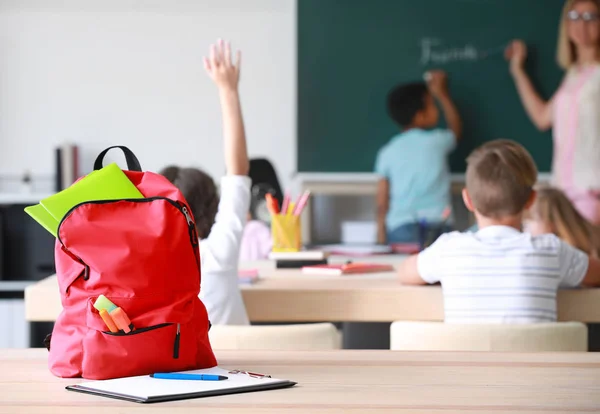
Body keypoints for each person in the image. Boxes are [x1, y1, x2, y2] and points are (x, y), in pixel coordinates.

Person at [398, 139, 600, 324]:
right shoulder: (552, 250)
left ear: (468, 200)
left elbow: (405, 272)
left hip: (466, 364)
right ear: (531, 200)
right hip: (535, 364)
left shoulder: (448, 249)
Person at [160, 39, 250, 325]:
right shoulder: (218, 252)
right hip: (243, 368)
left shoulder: (153, 265)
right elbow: (237, 174)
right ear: (212, 206)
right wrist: (228, 90)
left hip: (180, 368)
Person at [506, 0, 600, 224]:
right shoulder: (573, 76)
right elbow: (542, 118)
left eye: (590, 17)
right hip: (561, 190)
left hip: (592, 190)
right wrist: (518, 71)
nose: (581, 24)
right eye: (574, 17)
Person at [375, 70, 462, 244]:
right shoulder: (437, 141)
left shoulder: (387, 151)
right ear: (420, 115)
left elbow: (382, 201)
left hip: (401, 226)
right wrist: (443, 95)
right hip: (438, 223)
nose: (435, 108)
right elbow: (456, 129)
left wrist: (380, 233)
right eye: (432, 104)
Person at [527, 186, 600, 257]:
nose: (526, 228)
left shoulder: (564, 253)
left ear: (549, 222)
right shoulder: (588, 235)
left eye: (529, 219)